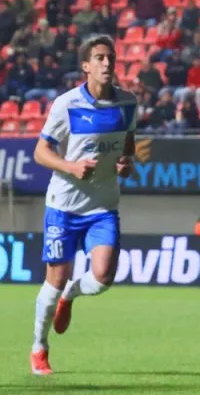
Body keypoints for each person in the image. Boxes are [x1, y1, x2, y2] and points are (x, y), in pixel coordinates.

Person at [29, 35, 137, 376]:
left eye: (111, 58)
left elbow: (128, 140)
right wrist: (71, 166)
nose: (107, 63)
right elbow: (41, 152)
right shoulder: (67, 104)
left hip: (103, 205)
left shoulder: (128, 103)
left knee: (103, 277)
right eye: (100, 58)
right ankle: (39, 348)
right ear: (86, 66)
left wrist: (127, 160)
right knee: (54, 279)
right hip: (64, 204)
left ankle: (70, 297)